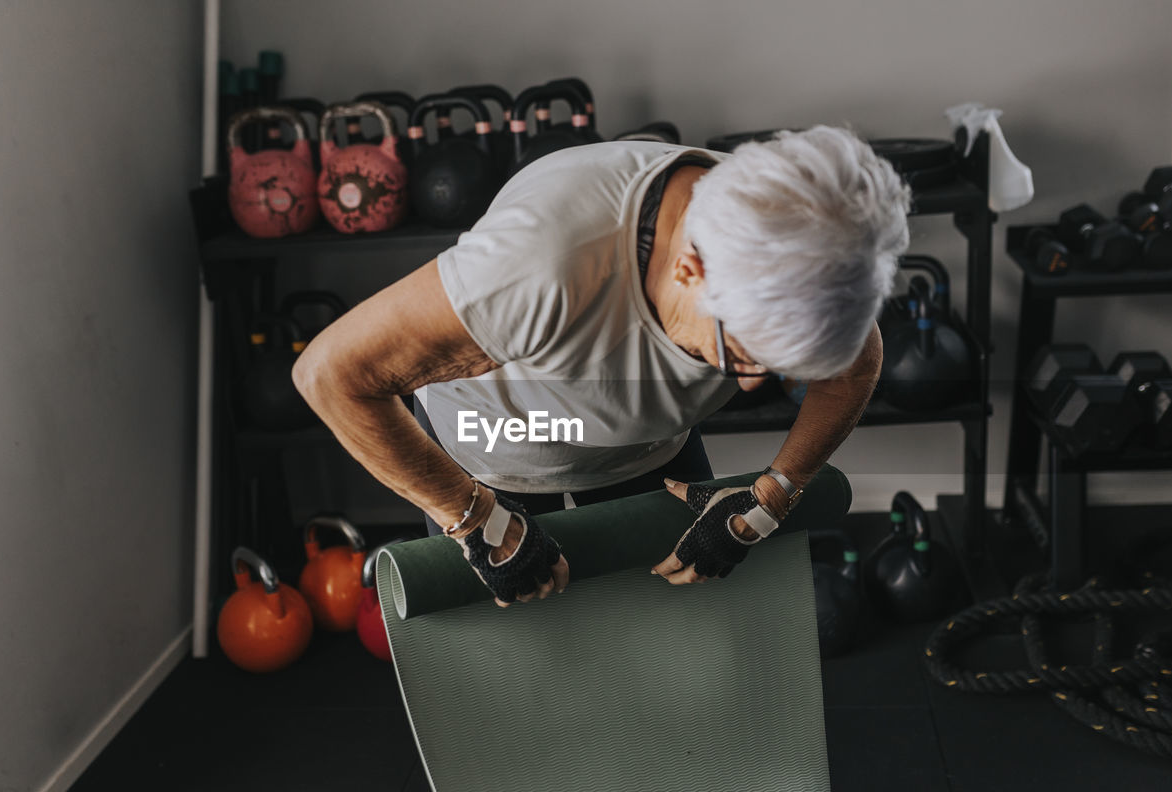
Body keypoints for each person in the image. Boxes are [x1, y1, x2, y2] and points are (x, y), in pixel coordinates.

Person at [293, 125, 909, 607]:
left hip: (650, 452)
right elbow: (329, 375)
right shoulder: (539, 263)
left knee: (682, 658)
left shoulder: (804, 256)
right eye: (744, 355)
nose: (750, 384)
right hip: (496, 451)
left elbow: (858, 362)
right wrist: (472, 514)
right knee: (520, 683)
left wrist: (773, 494)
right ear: (689, 268)